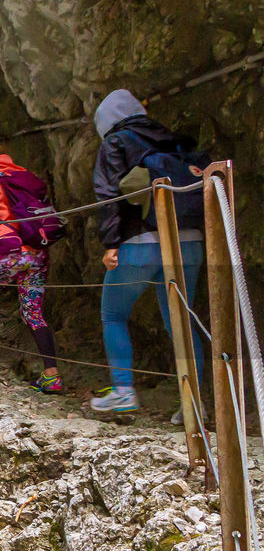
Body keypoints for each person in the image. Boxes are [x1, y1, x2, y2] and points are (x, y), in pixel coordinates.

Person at [89, 89, 207, 418]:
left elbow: (107, 193)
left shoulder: (116, 142)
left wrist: (111, 243)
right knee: (180, 322)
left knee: (113, 315)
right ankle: (194, 404)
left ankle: (123, 391)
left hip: (140, 245)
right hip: (189, 243)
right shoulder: (172, 139)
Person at [0, 136, 63, 393]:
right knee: (33, 311)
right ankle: (52, 375)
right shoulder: (27, 178)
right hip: (37, 254)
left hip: (8, 254)